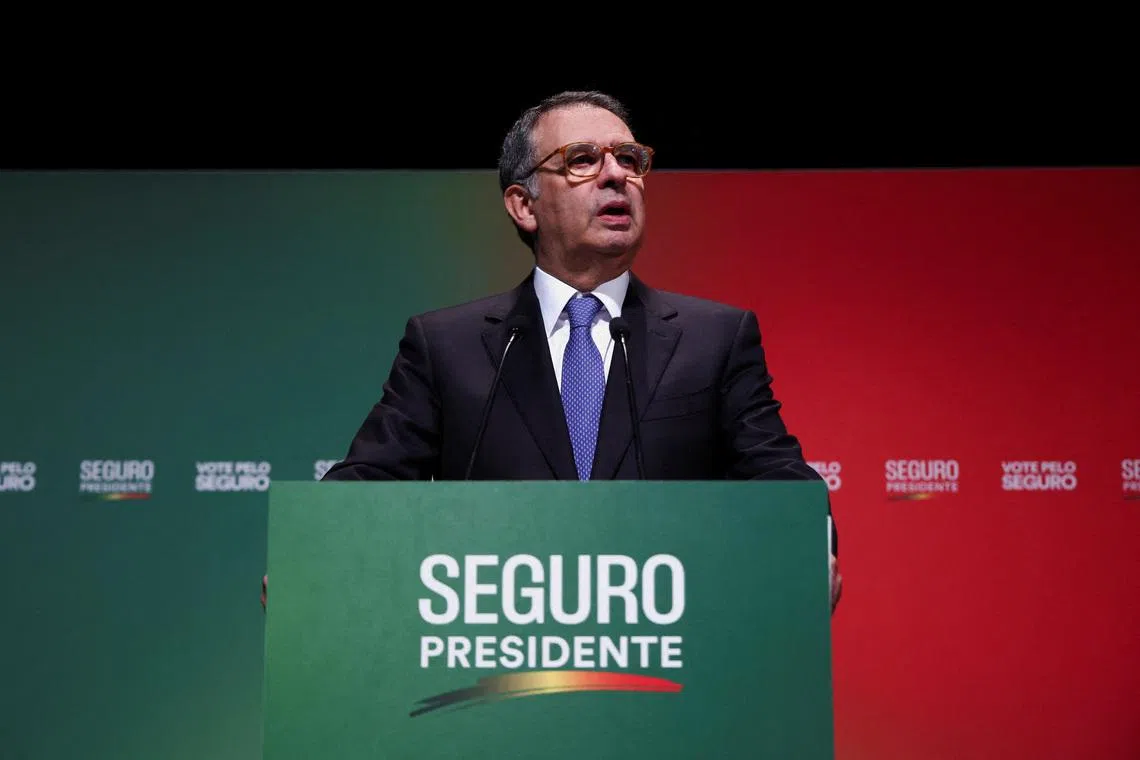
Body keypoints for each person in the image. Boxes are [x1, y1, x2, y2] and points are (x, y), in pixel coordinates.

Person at [306, 90, 841, 611]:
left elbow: (782, 482)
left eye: (629, 159)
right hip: (497, 650)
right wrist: (306, 557)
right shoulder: (447, 346)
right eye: (582, 159)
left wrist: (812, 547)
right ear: (523, 205)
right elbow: (366, 483)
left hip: (672, 645)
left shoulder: (715, 339)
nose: (617, 175)